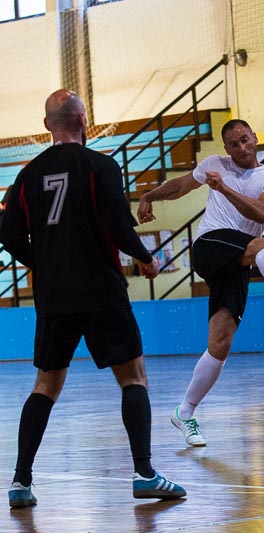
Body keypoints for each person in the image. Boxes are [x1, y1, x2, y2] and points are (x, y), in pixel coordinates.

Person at [0, 89, 186, 507]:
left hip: (54, 296)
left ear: (46, 126)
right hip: (102, 289)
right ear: (84, 121)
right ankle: (144, 474)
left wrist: (45, 263)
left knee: (45, 384)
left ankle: (20, 481)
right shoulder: (100, 165)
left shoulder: (27, 176)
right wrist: (146, 258)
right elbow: (118, 224)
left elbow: (8, 235)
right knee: (133, 376)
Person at [136, 119, 264, 447]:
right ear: (226, 148)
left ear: (255, 139)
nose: (241, 148)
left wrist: (224, 189)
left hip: (238, 259)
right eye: (233, 144)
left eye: (245, 140)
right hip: (210, 245)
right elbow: (181, 186)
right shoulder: (215, 165)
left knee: (220, 345)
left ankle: (185, 411)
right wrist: (149, 195)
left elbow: (262, 213)